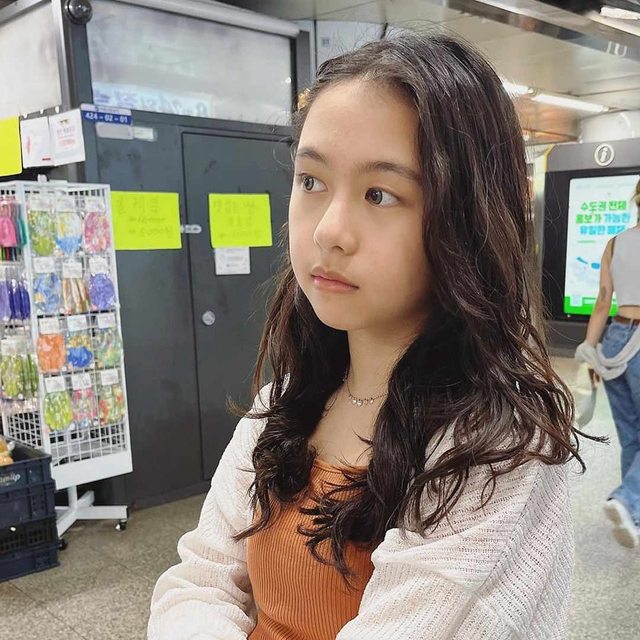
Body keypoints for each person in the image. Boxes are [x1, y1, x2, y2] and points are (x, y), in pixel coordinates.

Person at [148, 33, 582, 640]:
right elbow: (199, 579)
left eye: (380, 194)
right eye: (311, 180)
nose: (329, 230)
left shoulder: (498, 450)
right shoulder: (284, 404)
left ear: (467, 219)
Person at [577, 180, 640, 549]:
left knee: (631, 433)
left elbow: (603, 300)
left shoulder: (615, 243)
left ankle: (633, 514)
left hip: (615, 337)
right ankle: (627, 501)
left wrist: (589, 348)